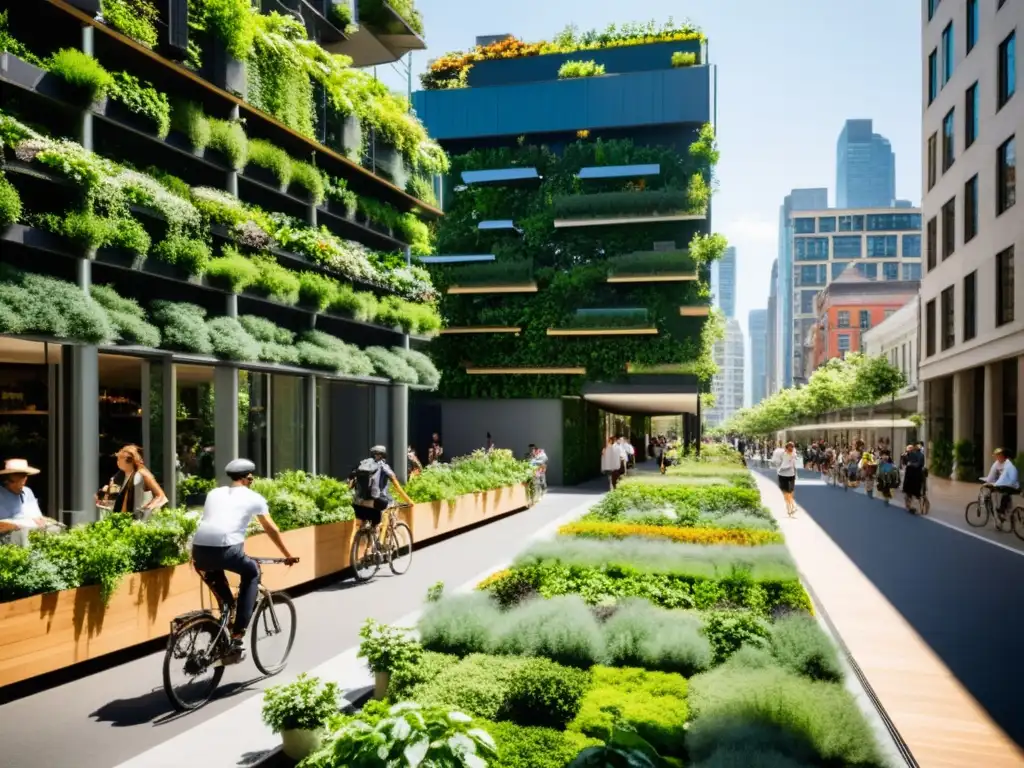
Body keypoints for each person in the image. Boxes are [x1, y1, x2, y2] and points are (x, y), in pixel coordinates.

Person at [191, 459, 298, 663]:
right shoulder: (254, 498)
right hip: (228, 550)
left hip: (199, 552)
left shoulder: (214, 493)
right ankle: (238, 638)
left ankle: (224, 621)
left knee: (226, 600)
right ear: (249, 477)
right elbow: (271, 529)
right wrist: (287, 554)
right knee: (252, 572)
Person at [95, 444, 168, 520]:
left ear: (129, 460)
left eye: (119, 459)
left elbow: (161, 497)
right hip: (126, 519)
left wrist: (146, 511)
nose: (117, 462)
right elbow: (113, 486)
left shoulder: (142, 474)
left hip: (139, 522)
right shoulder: (124, 473)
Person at [350, 445, 415, 528]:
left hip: (360, 501)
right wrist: (408, 500)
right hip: (377, 500)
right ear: (383, 455)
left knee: (368, 519)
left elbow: (352, 482)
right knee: (392, 505)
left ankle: (367, 531)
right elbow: (396, 484)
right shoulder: (384, 466)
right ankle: (381, 537)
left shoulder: (363, 465)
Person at [0, 459, 50, 541]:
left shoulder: (27, 492)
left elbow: (36, 516)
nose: (19, 486)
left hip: (29, 535)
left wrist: (39, 520)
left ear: (25, 479)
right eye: (14, 482)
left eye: (22, 483)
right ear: (7, 480)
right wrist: (9, 526)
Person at [980, 448, 1020, 520]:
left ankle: (1002, 511)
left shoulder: (1008, 464)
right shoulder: (996, 464)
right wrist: (987, 482)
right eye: (996, 456)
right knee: (996, 491)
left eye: (999, 456)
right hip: (1005, 483)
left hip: (1012, 484)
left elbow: (1003, 478)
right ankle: (999, 510)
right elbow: (991, 476)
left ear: (1004, 456)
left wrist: (995, 484)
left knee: (1004, 493)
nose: (998, 458)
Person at [773, 441, 799, 517]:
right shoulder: (792, 455)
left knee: (786, 493)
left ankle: (791, 507)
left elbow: (777, 463)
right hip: (789, 475)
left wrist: (780, 469)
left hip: (784, 475)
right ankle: (791, 508)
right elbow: (793, 466)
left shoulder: (786, 454)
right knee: (789, 492)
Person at [902, 443, 927, 513]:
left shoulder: (914, 455)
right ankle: (912, 505)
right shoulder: (916, 455)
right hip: (915, 475)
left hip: (913, 475)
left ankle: (911, 505)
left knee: (911, 491)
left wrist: (910, 463)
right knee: (915, 492)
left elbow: (914, 464)